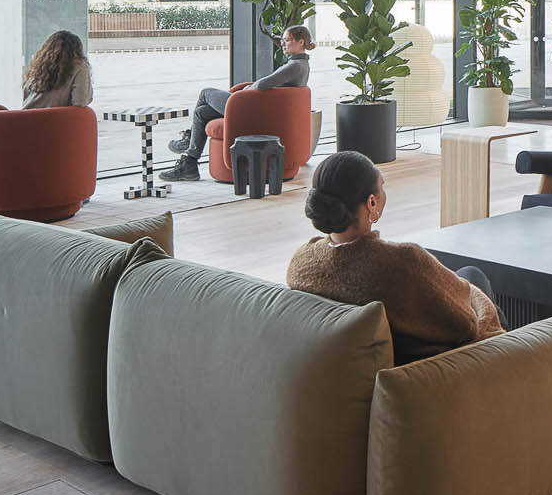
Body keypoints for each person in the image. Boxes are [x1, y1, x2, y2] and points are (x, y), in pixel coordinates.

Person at [286, 151, 502, 364]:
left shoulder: (301, 264)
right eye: (382, 186)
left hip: (358, 371)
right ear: (372, 203)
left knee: (467, 279)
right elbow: (465, 323)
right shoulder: (403, 263)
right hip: (431, 372)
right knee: (473, 277)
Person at [160, 23, 313, 181]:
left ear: (300, 42)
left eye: (287, 40)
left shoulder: (294, 66)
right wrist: (248, 87)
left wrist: (245, 91)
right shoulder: (301, 65)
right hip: (256, 108)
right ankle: (190, 164)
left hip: (249, 110)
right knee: (202, 113)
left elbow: (262, 84)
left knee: (205, 93)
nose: (282, 43)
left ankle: (188, 139)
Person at [22, 30, 93, 109]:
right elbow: (81, 101)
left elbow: (25, 96)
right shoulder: (79, 66)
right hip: (53, 119)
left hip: (24, 118)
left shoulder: (39, 67)